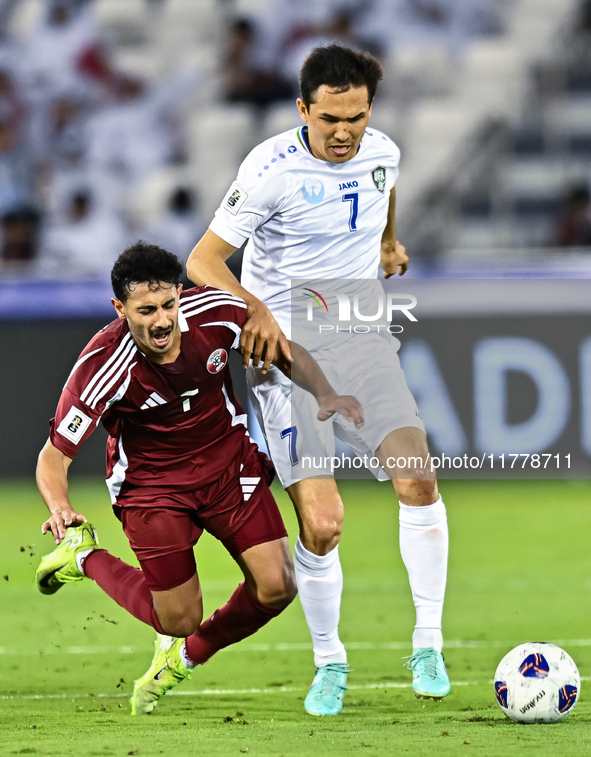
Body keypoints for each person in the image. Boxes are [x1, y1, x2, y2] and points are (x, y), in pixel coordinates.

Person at [187, 44, 450, 716]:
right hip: (286, 356)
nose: (343, 132)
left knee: (417, 476)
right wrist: (258, 308)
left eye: (355, 118)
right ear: (302, 108)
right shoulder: (269, 169)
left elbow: (384, 183)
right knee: (324, 524)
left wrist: (388, 242)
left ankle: (427, 643)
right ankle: (329, 661)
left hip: (360, 335)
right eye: (329, 117)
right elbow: (203, 260)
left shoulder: (382, 149)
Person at [35, 241, 363, 716]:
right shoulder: (101, 366)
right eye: (146, 310)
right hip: (153, 489)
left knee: (277, 586)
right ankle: (82, 555)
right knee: (179, 617)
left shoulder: (218, 313)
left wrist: (327, 394)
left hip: (229, 468)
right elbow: (53, 458)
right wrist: (60, 508)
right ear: (119, 308)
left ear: (181, 295)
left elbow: (284, 352)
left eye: (169, 304)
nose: (162, 320)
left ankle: (185, 658)